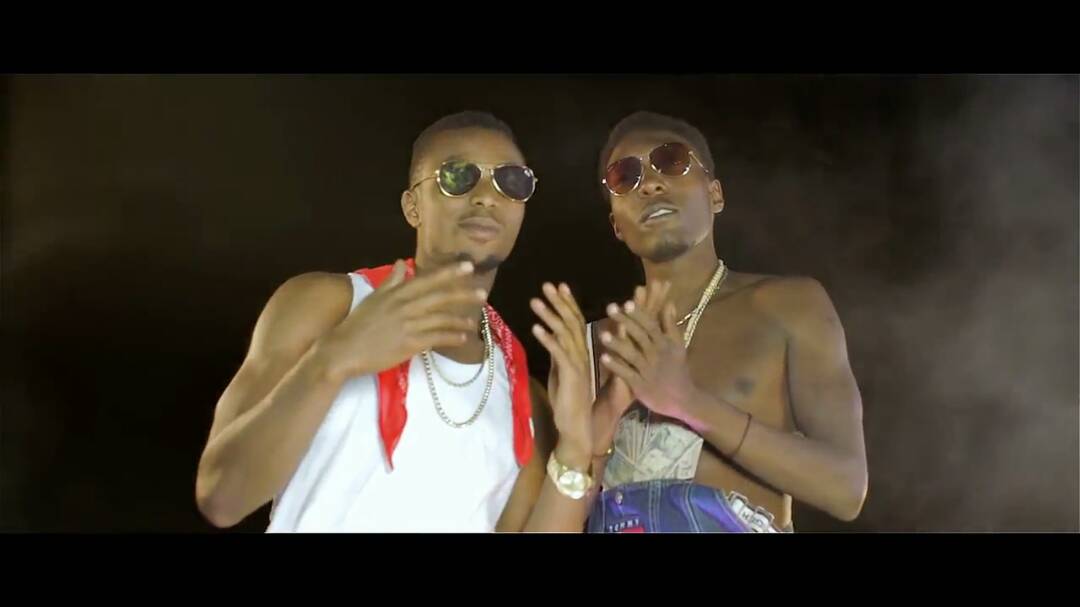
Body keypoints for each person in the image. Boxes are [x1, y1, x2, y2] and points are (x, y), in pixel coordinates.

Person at [194, 111, 591, 532]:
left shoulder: (525, 394)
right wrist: (333, 359)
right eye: (458, 176)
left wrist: (577, 444)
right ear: (413, 206)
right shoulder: (327, 305)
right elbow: (222, 497)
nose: (485, 197)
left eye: (511, 181)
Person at [535, 111, 869, 533]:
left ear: (715, 195)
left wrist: (688, 402)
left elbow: (846, 489)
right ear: (617, 224)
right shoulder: (584, 348)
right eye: (625, 177)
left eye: (671, 161)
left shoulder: (788, 305)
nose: (650, 184)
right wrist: (599, 429)